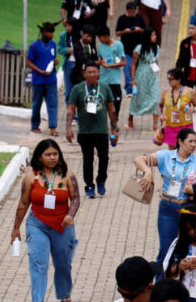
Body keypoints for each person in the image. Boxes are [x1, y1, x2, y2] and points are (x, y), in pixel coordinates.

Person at [13, 138, 79, 302]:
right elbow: (23, 202)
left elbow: (75, 198)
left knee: (63, 263)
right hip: (37, 224)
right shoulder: (31, 177)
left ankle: (65, 294)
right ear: (39, 157)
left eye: (55, 154)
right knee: (38, 262)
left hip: (62, 225)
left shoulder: (67, 175)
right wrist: (16, 228)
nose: (52, 158)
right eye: (48, 154)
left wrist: (70, 215)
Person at [135, 127, 196, 268]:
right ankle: (161, 286)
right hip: (168, 207)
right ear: (180, 142)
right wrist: (147, 172)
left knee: (189, 249)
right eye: (190, 141)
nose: (193, 145)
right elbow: (138, 159)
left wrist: (194, 190)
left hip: (189, 209)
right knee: (166, 251)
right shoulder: (166, 156)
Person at [67, 63, 115, 199]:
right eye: (89, 72)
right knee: (88, 159)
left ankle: (101, 181)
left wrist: (114, 128)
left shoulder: (105, 88)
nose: (92, 74)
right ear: (84, 74)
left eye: (94, 72)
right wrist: (68, 127)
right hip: (85, 132)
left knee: (104, 158)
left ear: (99, 73)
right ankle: (89, 185)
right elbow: (71, 108)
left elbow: (111, 108)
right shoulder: (78, 89)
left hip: (102, 131)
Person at [26, 22, 61, 136]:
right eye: (49, 32)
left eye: (53, 32)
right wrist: (40, 71)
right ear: (43, 32)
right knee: (37, 103)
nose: (52, 34)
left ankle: (52, 127)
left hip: (51, 79)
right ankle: (35, 125)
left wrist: (55, 62)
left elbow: (52, 59)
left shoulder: (53, 45)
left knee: (52, 103)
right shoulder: (34, 46)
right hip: (38, 80)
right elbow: (28, 62)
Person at [128, 27, 162, 132]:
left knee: (155, 98)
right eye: (152, 35)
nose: (154, 37)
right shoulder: (139, 48)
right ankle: (130, 118)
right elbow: (133, 64)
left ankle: (155, 124)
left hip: (152, 76)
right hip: (141, 75)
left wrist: (157, 72)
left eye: (155, 35)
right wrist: (132, 78)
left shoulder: (157, 47)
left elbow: (156, 62)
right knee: (137, 98)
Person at [96, 26, 127, 140]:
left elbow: (123, 62)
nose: (100, 41)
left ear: (106, 36)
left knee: (116, 104)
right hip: (103, 80)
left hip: (115, 80)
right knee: (102, 104)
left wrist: (110, 65)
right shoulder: (100, 46)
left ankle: (114, 125)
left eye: (100, 38)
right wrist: (100, 62)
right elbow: (99, 59)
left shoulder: (118, 45)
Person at [158, 69, 196, 149]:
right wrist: (161, 115)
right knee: (173, 153)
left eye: (171, 79)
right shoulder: (166, 92)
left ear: (179, 79)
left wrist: (193, 109)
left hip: (185, 127)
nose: (169, 81)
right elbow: (160, 105)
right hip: (170, 127)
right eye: (168, 79)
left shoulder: (189, 91)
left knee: (186, 151)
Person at [116, 1, 147, 96]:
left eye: (133, 12)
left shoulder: (139, 18)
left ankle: (138, 87)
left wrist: (139, 30)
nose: (132, 14)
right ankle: (129, 89)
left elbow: (145, 31)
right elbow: (117, 33)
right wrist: (125, 32)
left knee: (138, 69)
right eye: (130, 12)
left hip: (138, 49)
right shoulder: (121, 19)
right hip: (126, 49)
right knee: (127, 69)